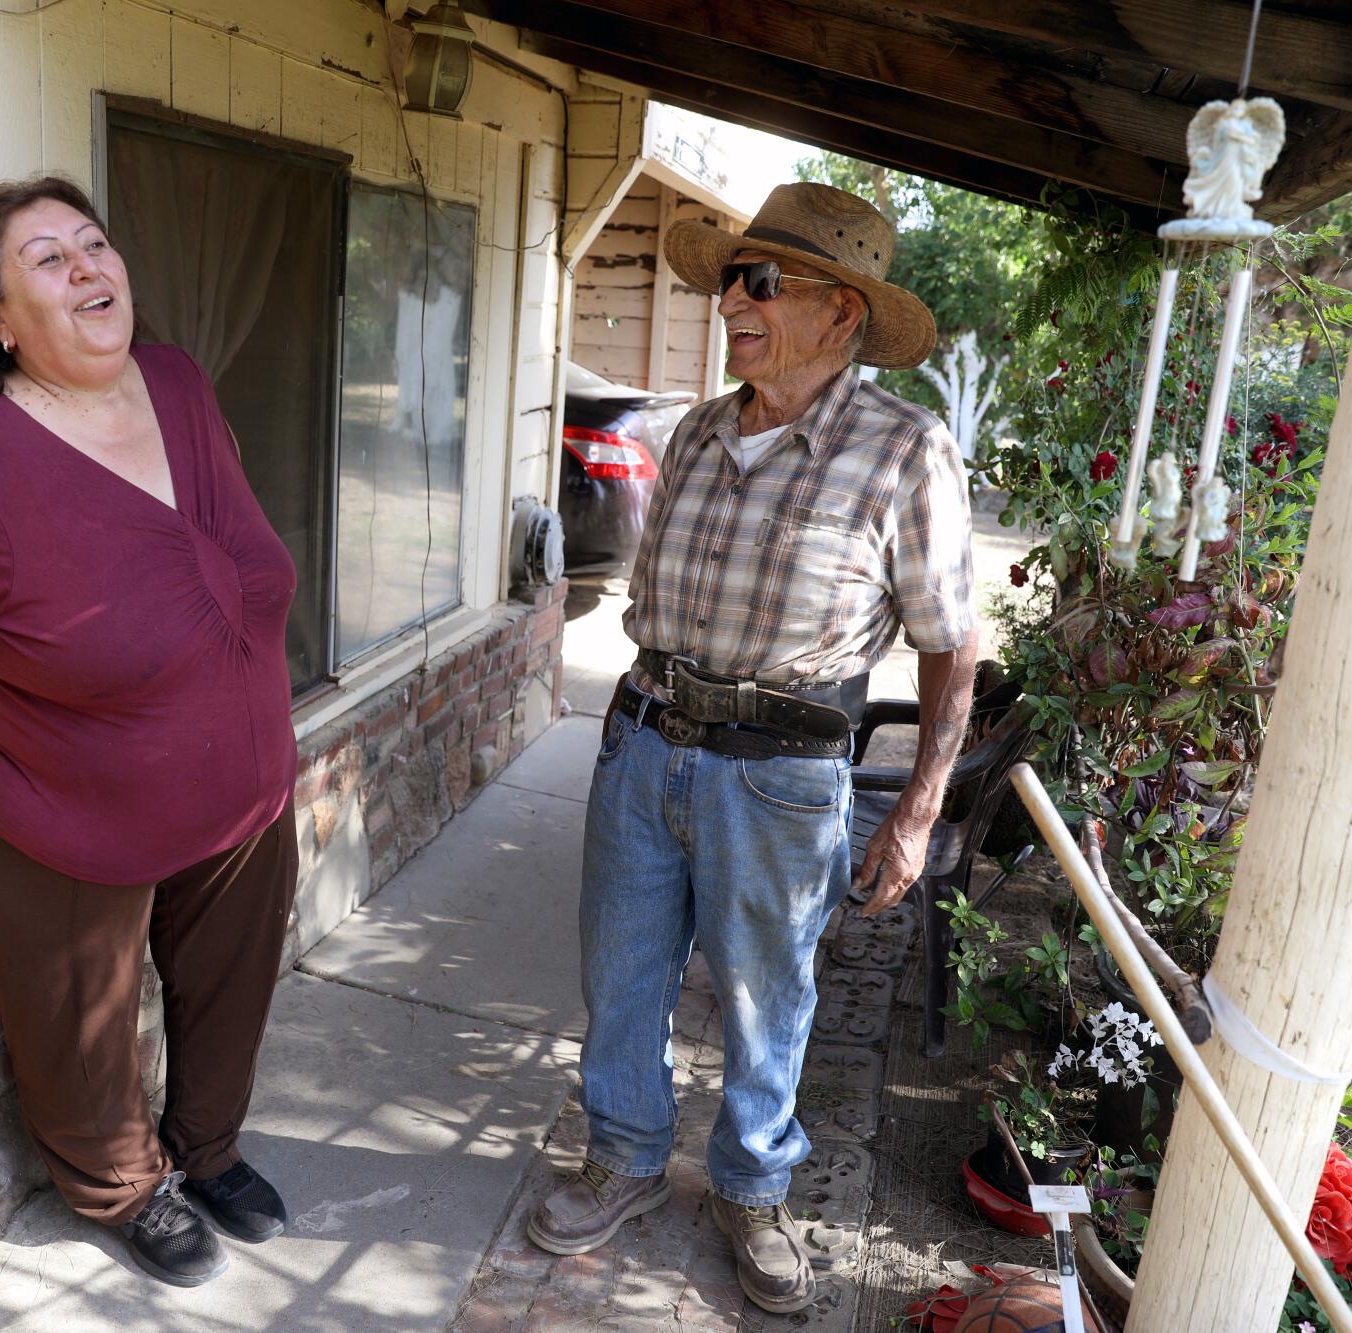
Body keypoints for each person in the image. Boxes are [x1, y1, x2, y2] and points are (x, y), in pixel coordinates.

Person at [0, 176, 297, 1289]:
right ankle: (122, 1186)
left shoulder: (175, 382)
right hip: (59, 807)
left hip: (239, 787)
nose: (90, 267)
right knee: (78, 1025)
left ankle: (209, 1149)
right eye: (48, 259)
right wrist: (1, 707)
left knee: (231, 981)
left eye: (95, 243)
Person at [525, 182, 977, 1314]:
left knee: (763, 996)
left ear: (840, 313)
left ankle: (750, 1187)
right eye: (732, 276)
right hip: (641, 739)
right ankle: (623, 1156)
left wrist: (918, 809)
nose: (730, 298)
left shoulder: (903, 450)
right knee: (620, 974)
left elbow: (948, 646)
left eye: (759, 282)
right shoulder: (695, 427)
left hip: (781, 772)